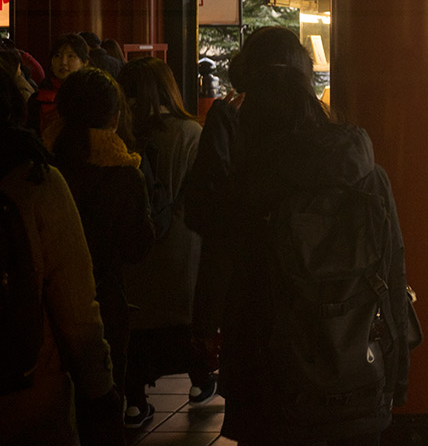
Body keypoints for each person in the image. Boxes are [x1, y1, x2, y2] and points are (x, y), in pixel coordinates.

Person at [217, 63, 411, 446]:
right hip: (361, 372)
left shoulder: (252, 186)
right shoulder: (370, 176)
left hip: (275, 387)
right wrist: (397, 373)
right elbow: (394, 275)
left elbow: (239, 292)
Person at [186, 27, 316, 388]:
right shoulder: (330, 134)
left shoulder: (231, 121)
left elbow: (204, 216)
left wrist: (206, 322)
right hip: (320, 306)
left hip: (251, 305)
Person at [0, 71, 124, 446]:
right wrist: (99, 387)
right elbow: (74, 299)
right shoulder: (33, 178)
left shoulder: (46, 161)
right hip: (26, 381)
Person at [47, 67, 156, 420]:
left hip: (44, 303)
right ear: (115, 116)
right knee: (103, 405)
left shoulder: (43, 164)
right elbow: (137, 248)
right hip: (104, 298)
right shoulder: (124, 172)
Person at [117, 58, 212, 429]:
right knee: (182, 326)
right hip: (180, 248)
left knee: (136, 331)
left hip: (134, 252)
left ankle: (136, 404)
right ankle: (201, 380)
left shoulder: (122, 135)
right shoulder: (190, 132)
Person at [27, 32, 91, 136]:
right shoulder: (38, 98)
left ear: (85, 62)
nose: (63, 62)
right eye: (57, 55)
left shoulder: (90, 96)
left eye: (71, 56)